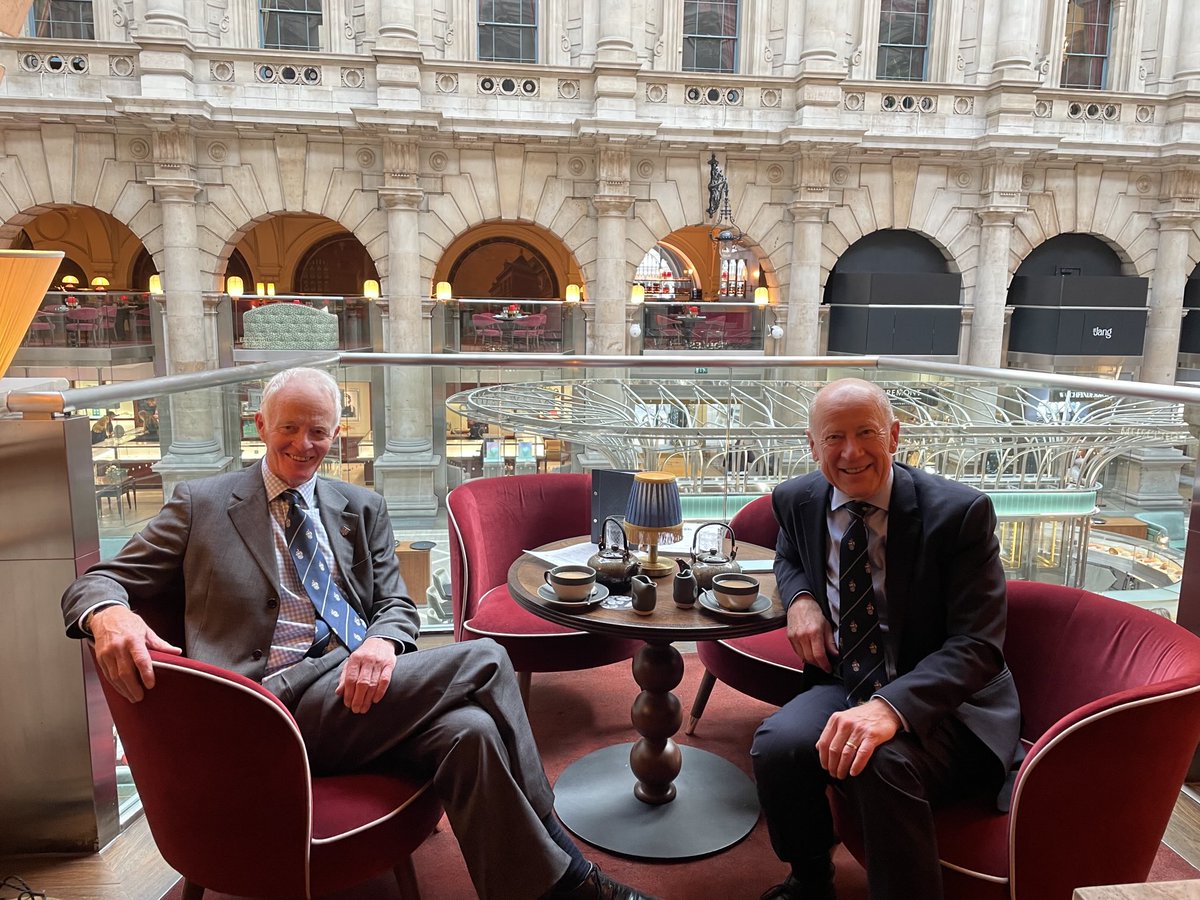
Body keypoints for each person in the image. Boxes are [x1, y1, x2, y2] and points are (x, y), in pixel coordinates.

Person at [62, 367, 655, 900]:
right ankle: (568, 858)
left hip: (357, 687)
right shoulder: (203, 504)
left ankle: (542, 891)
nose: (304, 444)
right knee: (487, 660)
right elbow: (97, 580)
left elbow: (396, 603)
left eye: (318, 431)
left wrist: (381, 641)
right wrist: (107, 614)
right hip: (266, 706)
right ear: (260, 424)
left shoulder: (359, 505)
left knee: (470, 732)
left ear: (338, 431)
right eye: (290, 428)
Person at [752, 378, 1021, 900]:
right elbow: (787, 555)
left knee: (875, 762)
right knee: (777, 747)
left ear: (894, 436)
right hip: (852, 679)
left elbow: (979, 647)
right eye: (834, 437)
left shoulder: (959, 514)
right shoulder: (796, 500)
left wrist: (891, 709)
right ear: (812, 446)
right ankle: (811, 878)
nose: (851, 452)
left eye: (866, 432)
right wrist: (802, 598)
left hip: (949, 704)